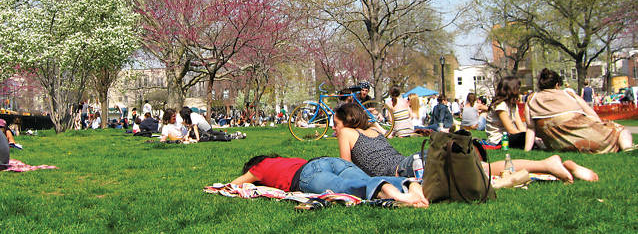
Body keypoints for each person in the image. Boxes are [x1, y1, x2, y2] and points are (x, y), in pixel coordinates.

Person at [333, 102, 598, 183]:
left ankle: (548, 167)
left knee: (482, 175)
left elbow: (347, 170)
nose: (334, 130)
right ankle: (549, 166)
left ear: (345, 121)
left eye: (334, 123)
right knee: (486, 171)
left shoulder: (347, 134)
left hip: (406, 171)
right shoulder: (373, 131)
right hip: (415, 160)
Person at [227, 154, 428, 207]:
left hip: (306, 176)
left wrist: (250, 180)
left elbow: (234, 184)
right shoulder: (283, 160)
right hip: (328, 161)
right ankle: (410, 184)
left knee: (346, 188)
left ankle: (395, 195)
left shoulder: (258, 168)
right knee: (364, 179)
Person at [524, 68, 633, 153]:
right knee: (620, 129)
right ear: (557, 85)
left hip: (558, 146)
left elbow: (530, 128)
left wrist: (526, 151)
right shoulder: (568, 94)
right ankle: (627, 148)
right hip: (591, 142)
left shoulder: (531, 99)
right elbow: (594, 117)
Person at [485, 77, 527, 148]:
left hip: (509, 136)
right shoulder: (500, 105)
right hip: (498, 140)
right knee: (527, 137)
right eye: (518, 88)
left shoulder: (513, 105)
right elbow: (510, 129)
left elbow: (521, 126)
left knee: (531, 135)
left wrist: (530, 136)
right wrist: (527, 136)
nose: (519, 91)